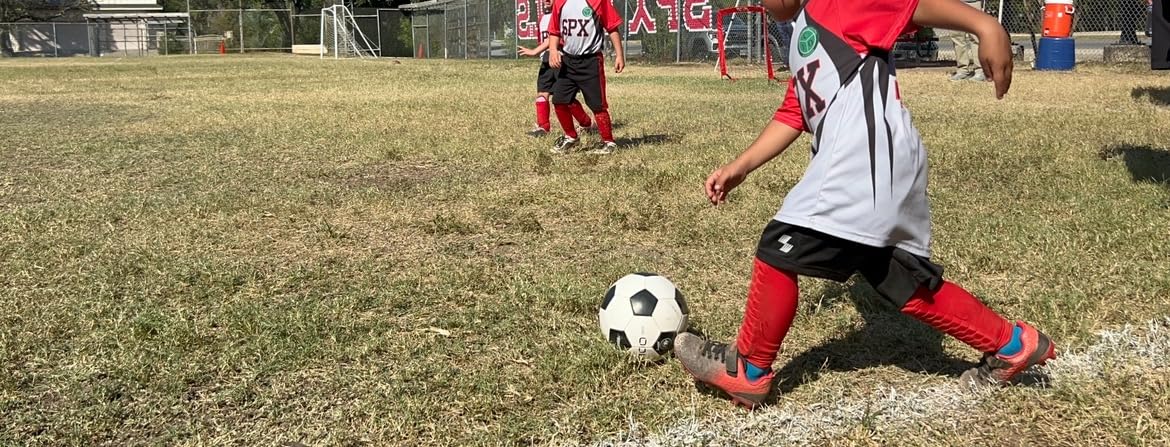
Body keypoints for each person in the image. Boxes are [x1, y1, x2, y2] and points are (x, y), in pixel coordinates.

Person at [673, 0, 1057, 408]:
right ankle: (1013, 344)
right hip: (884, 165)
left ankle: (748, 370)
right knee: (896, 277)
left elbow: (912, 5)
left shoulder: (836, 4)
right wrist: (740, 167)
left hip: (865, 161)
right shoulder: (803, 32)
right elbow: (795, 113)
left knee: (779, 246)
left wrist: (985, 25)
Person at [546, 0, 625, 154]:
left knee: (597, 104)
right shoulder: (560, 2)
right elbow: (554, 31)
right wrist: (553, 50)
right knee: (559, 100)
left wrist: (619, 55)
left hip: (591, 61)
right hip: (568, 61)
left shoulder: (598, 1)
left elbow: (612, 27)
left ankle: (609, 142)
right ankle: (570, 136)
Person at [517, 0, 595, 138]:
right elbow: (544, 38)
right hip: (546, 60)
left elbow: (554, 38)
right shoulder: (542, 17)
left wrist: (535, 51)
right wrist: (542, 53)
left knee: (566, 99)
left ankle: (586, 123)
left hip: (562, 60)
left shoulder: (563, 13)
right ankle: (543, 127)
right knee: (542, 94)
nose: (546, 1)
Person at [951, 0, 985, 81]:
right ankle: (962, 70)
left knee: (975, 37)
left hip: (973, 2)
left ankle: (980, 71)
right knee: (957, 37)